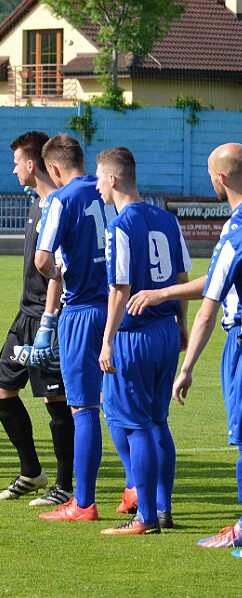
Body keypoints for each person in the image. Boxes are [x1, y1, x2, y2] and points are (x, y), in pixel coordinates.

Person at [95, 146, 190, 535]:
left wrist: (107, 340)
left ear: (113, 179)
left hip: (135, 336)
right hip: (167, 329)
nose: (97, 186)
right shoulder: (168, 219)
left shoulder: (120, 226)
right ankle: (162, 509)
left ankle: (146, 517)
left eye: (100, 178)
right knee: (157, 421)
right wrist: (181, 324)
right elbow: (182, 278)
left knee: (139, 427)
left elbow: (120, 289)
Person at [0, 132, 74, 506]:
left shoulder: (58, 204)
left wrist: (51, 321)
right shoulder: (38, 204)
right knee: (1, 389)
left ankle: (66, 485)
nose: (13, 169)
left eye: (17, 162)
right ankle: (32, 472)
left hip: (48, 317)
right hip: (25, 314)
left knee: (57, 400)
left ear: (32, 164)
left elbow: (60, 270)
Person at [35, 134, 116, 522]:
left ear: (52, 168)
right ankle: (135, 489)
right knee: (121, 407)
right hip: (122, 307)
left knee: (83, 408)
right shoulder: (110, 189)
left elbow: (41, 259)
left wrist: (59, 275)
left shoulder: (60, 200)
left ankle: (83, 502)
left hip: (83, 310)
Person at [165, 142, 242, 550]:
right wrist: (162, 294)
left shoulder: (236, 229)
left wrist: (187, 366)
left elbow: (209, 309)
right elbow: (214, 280)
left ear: (221, 178)